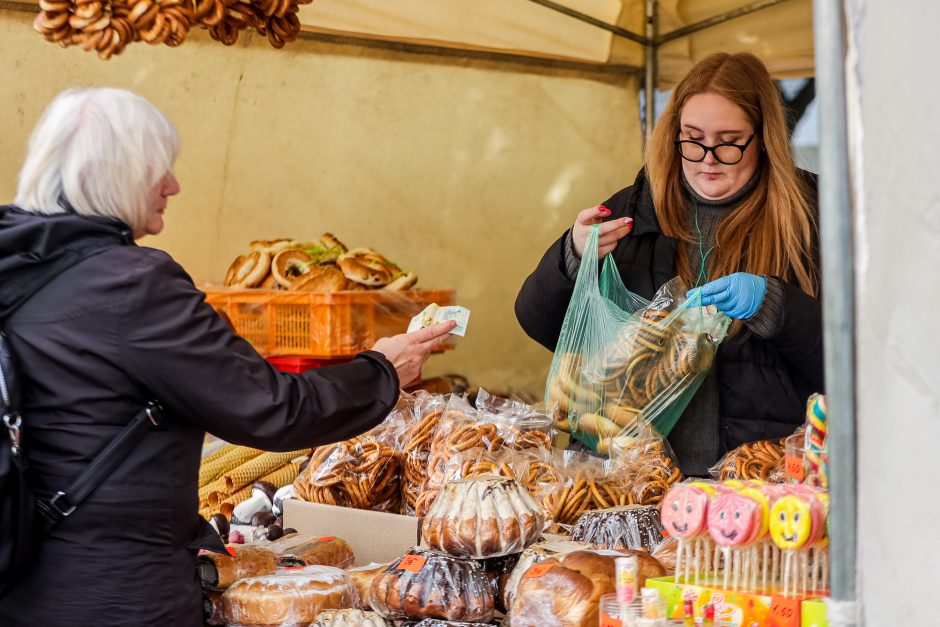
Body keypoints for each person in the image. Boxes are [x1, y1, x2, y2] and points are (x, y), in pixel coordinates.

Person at [0, 87, 454, 626]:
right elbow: (270, 407)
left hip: (23, 574)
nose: (174, 186)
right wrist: (381, 370)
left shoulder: (15, 267)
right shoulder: (131, 284)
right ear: (119, 175)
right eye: (159, 170)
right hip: (119, 590)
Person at [515, 52, 822, 477]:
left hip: (754, 488)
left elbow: (854, 361)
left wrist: (775, 306)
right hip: (627, 485)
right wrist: (573, 258)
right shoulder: (633, 208)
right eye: (692, 138)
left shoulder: (811, 219)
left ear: (764, 137)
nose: (708, 158)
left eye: (729, 141)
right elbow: (543, 324)